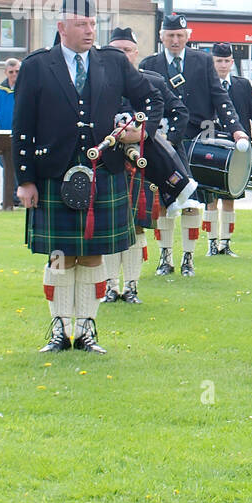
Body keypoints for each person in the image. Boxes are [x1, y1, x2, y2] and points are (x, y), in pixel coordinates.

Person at [12, 0, 163, 353]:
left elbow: (152, 100)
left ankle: (86, 330)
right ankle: (59, 330)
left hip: (103, 173)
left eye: (93, 24)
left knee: (94, 255)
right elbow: (21, 129)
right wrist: (25, 180)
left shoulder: (112, 63)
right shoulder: (37, 66)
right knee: (61, 255)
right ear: (61, 27)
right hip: (53, 174)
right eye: (81, 24)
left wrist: (142, 130)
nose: (90, 31)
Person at [140, 13, 245, 277]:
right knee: (163, 201)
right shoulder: (149, 64)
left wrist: (236, 130)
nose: (175, 40)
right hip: (160, 142)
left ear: (188, 36)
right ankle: (165, 257)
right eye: (170, 35)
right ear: (161, 35)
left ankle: (188, 257)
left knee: (191, 201)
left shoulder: (202, 61)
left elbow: (220, 98)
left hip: (195, 141)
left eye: (180, 35)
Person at [104, 27, 192, 304]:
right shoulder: (98, 81)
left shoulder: (151, 80)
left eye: (127, 50)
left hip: (142, 163)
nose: (122, 55)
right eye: (116, 50)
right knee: (109, 224)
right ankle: (109, 287)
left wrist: (157, 137)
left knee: (137, 225)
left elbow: (179, 112)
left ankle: (130, 287)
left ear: (135, 53)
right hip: (107, 162)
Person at [204, 42, 252, 257]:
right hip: (212, 147)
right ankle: (211, 244)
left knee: (230, 197)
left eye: (227, 61)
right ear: (213, 62)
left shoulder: (242, 85)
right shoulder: (205, 85)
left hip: (237, 149)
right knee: (210, 199)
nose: (223, 65)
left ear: (232, 62)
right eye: (219, 61)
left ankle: (225, 244)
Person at [0, 58, 20, 202]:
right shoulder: (0, 91)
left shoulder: (25, 88)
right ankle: (8, 196)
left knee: (18, 166)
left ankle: (17, 197)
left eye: (17, 71)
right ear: (6, 72)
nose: (14, 74)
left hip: (19, 133)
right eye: (11, 72)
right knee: (5, 165)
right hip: (3, 132)